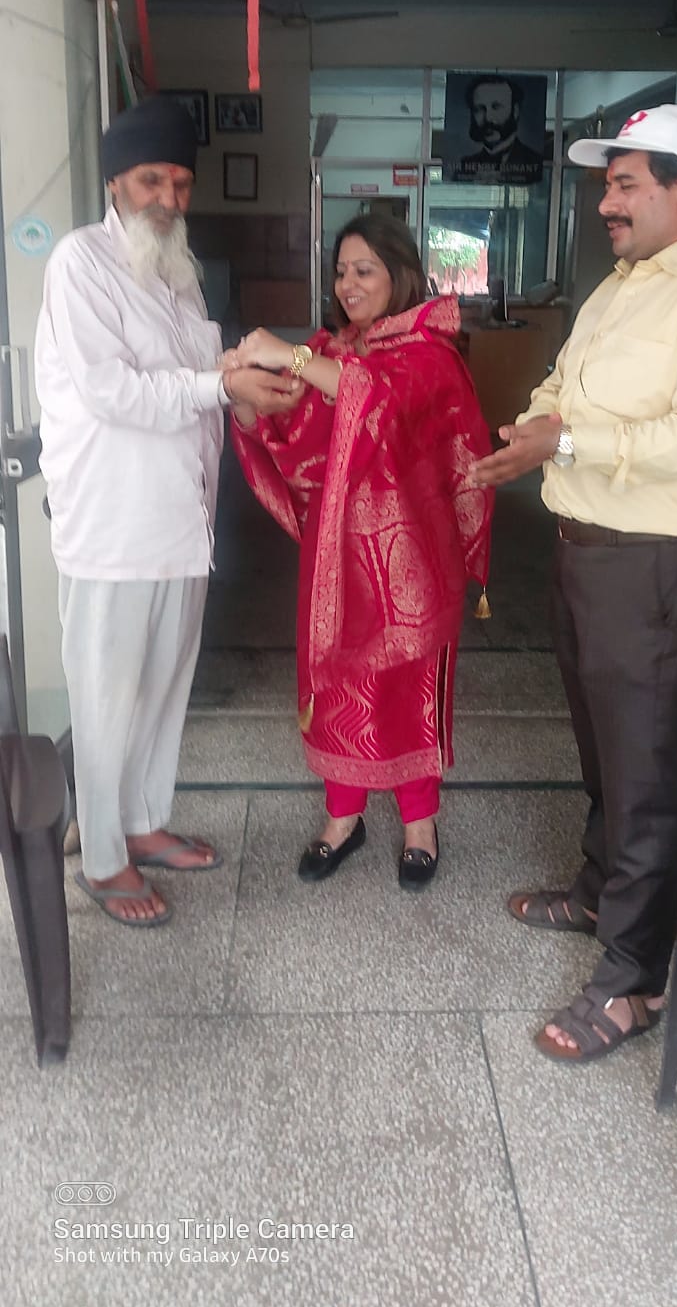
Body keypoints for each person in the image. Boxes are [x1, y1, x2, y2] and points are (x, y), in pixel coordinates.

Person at [470, 103, 677, 1063]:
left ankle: (632, 980)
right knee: (600, 749)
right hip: (582, 549)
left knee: (643, 772)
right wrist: (529, 432)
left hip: (649, 565)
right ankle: (594, 893)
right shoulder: (618, 287)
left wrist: (566, 440)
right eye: (606, 185)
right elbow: (559, 386)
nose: (604, 202)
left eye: (624, 184)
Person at [34, 96, 302, 927]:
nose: (168, 198)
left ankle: (144, 822)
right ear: (116, 182)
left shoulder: (178, 271)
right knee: (106, 695)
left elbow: (200, 376)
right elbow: (112, 390)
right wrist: (219, 386)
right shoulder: (80, 263)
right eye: (152, 180)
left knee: (161, 684)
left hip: (181, 520)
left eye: (181, 183)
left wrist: (245, 385)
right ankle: (102, 857)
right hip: (113, 522)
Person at [222, 214, 494, 887]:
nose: (348, 284)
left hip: (413, 565)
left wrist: (288, 354)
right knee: (339, 686)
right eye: (342, 271)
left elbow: (378, 399)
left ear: (400, 275)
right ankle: (342, 817)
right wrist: (246, 395)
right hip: (337, 560)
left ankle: (420, 823)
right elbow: (298, 440)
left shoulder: (430, 354)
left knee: (408, 689)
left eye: (364, 270)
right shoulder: (333, 351)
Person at [458, 74, 543, 184]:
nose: (488, 118)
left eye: (496, 107)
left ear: (515, 111)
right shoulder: (463, 166)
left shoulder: (535, 162)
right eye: (479, 109)